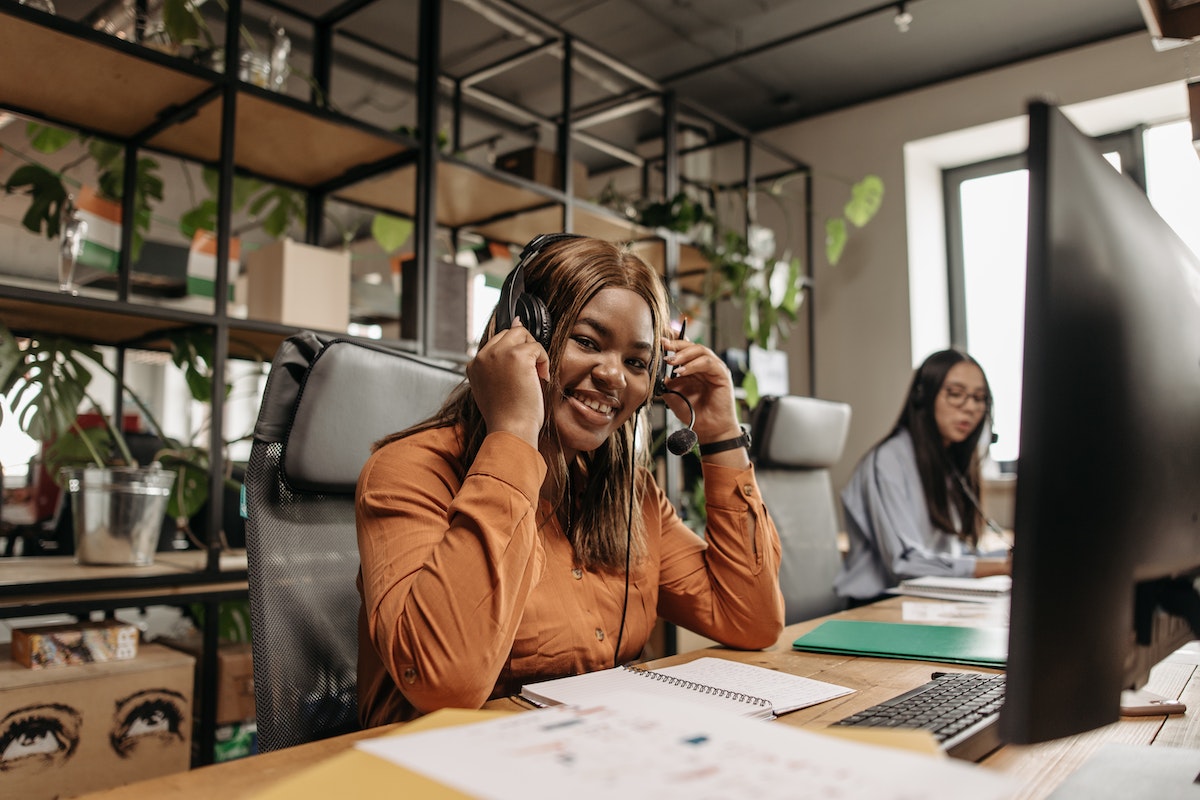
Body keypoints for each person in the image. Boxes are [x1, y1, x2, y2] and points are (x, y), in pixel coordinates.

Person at [355, 234, 785, 727]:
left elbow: (752, 620)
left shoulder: (632, 495)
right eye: (587, 341)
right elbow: (446, 681)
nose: (614, 377)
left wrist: (721, 432)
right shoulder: (409, 472)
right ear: (518, 334)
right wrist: (514, 433)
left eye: (637, 362)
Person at [834, 349, 1010, 605]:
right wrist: (1000, 567)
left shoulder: (947, 462)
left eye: (979, 398)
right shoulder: (887, 462)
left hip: (927, 602)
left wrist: (1010, 558)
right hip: (880, 606)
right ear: (923, 397)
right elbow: (905, 562)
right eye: (956, 394)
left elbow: (953, 554)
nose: (970, 407)